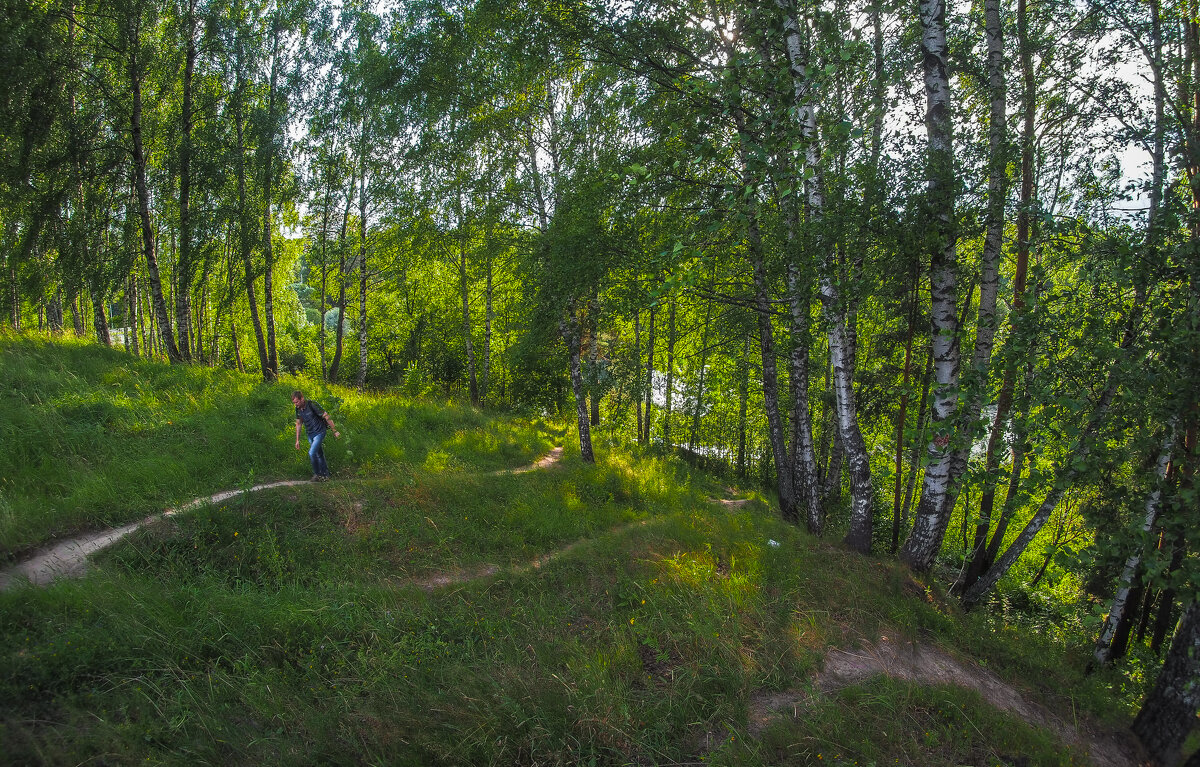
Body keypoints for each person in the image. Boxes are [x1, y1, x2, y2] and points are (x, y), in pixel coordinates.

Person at [292, 390, 340, 481]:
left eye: (297, 402)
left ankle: (317, 474)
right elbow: (298, 424)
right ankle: (325, 475)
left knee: (312, 453)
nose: (296, 404)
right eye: (294, 403)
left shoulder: (312, 404)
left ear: (302, 398)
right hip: (310, 434)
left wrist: (335, 430)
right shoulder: (297, 409)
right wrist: (297, 440)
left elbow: (326, 416)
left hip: (320, 431)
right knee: (319, 454)